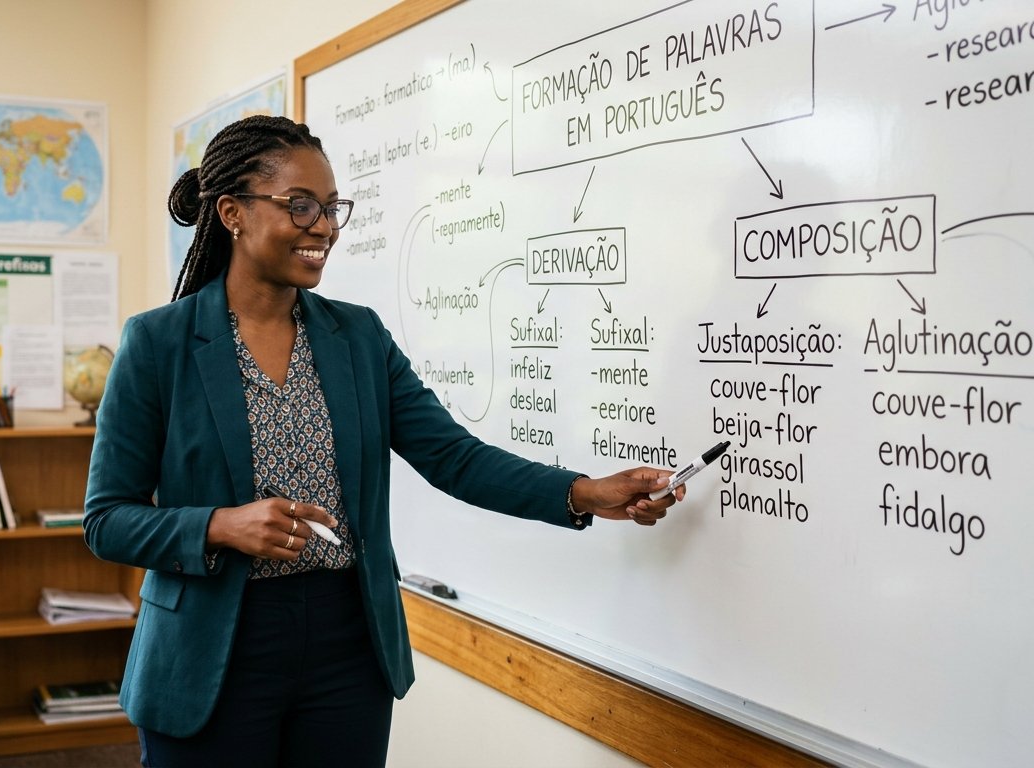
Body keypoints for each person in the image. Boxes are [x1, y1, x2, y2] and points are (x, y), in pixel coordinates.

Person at [83, 115, 684, 768]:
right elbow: (108, 520)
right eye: (301, 206)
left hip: (346, 645)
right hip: (211, 649)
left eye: (332, 207)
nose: (325, 226)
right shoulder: (158, 344)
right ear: (233, 212)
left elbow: (453, 457)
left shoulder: (357, 339)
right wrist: (221, 526)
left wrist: (582, 493)